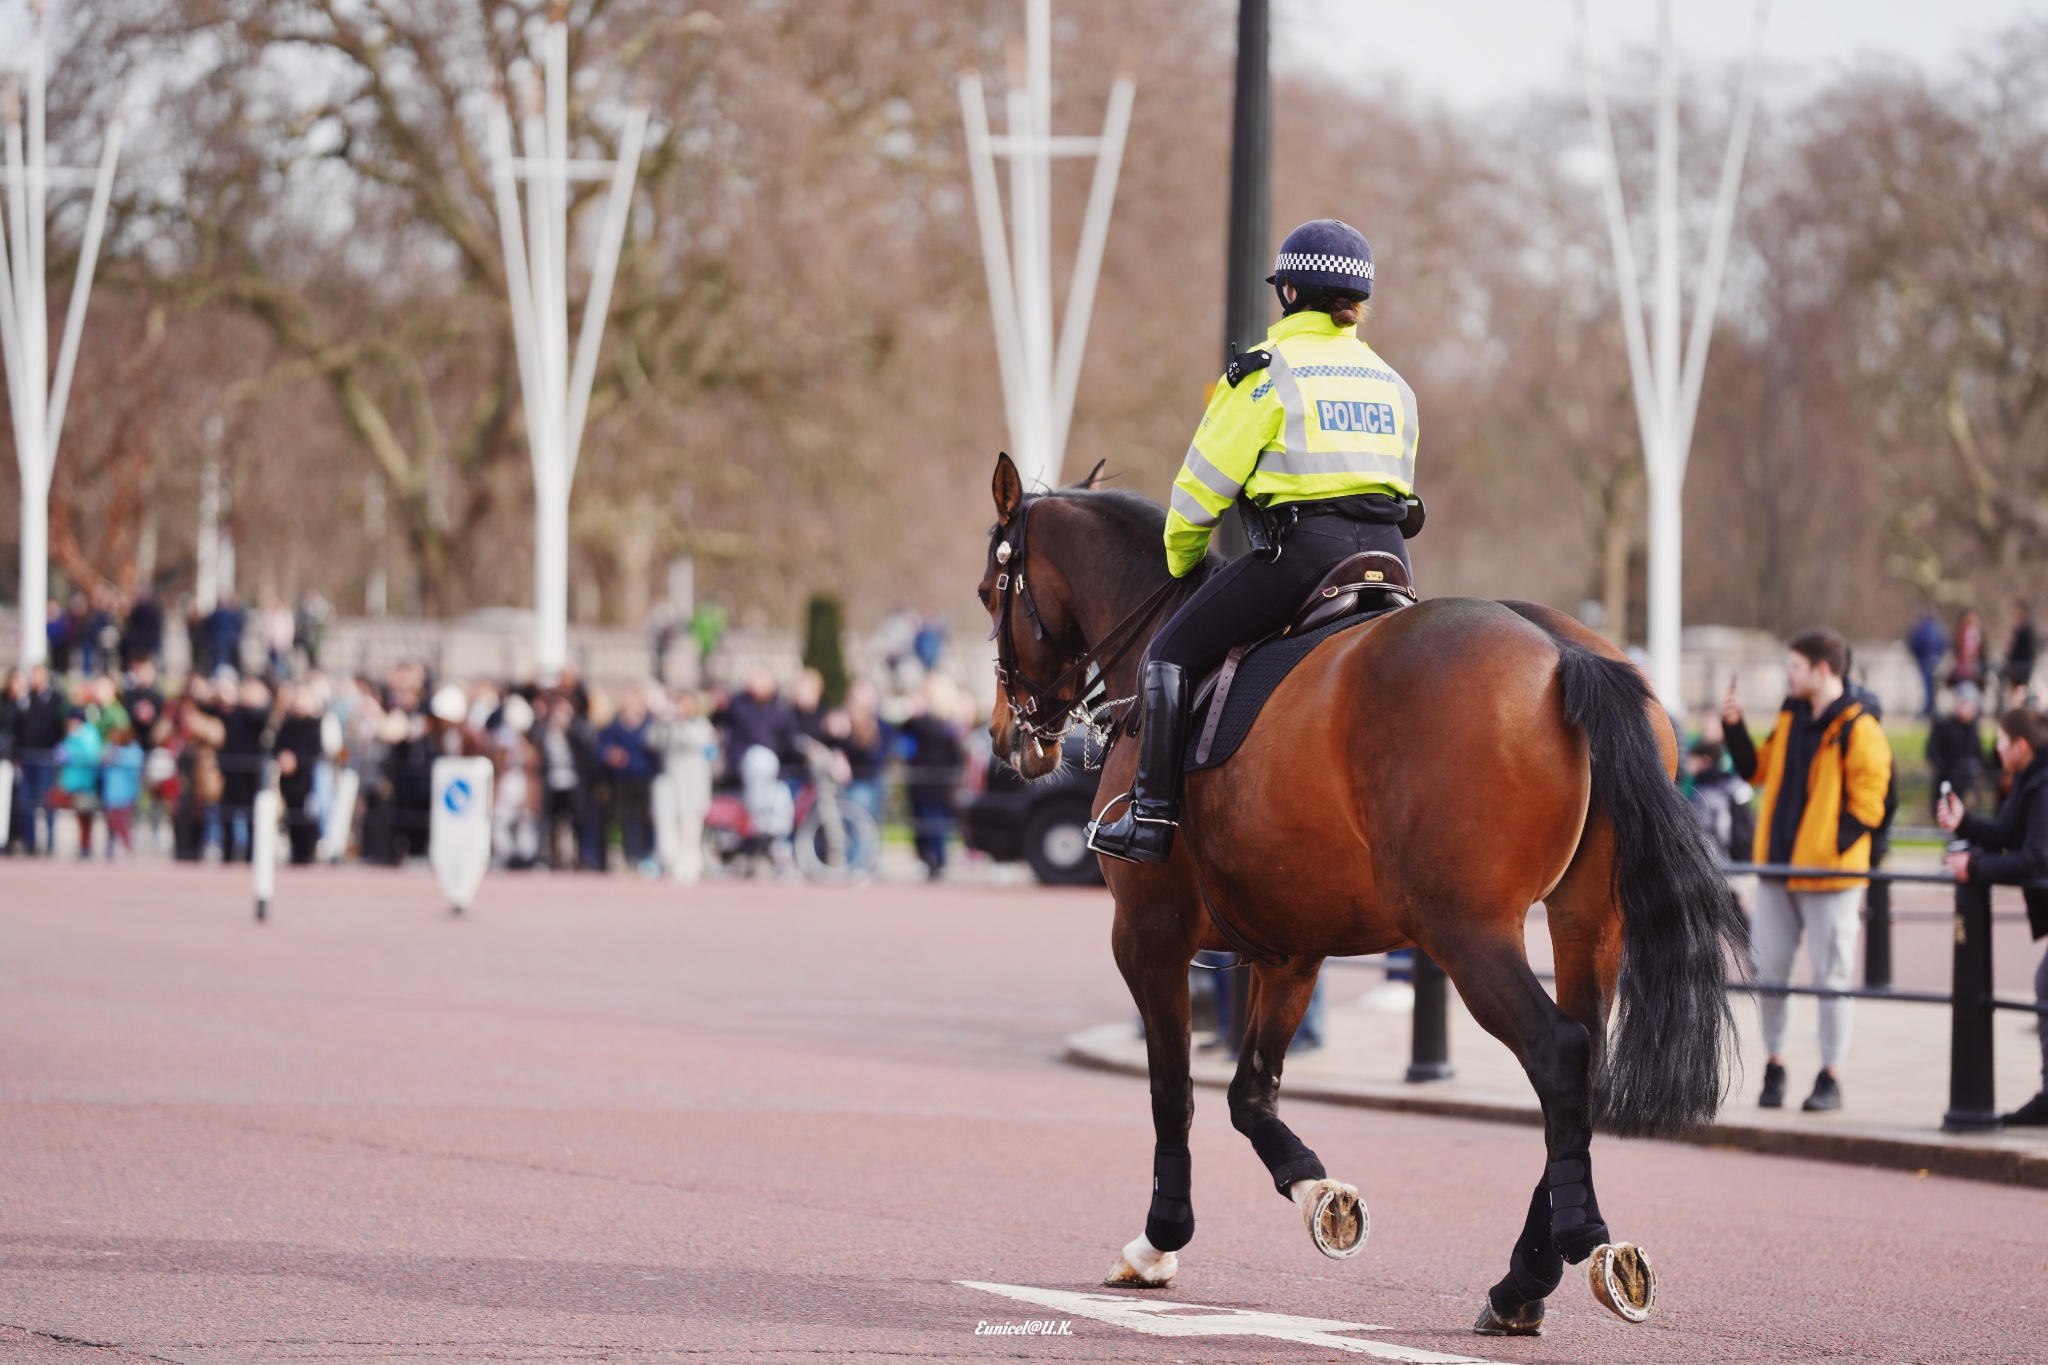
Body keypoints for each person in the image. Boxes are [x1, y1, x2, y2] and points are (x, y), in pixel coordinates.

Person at [1090, 218, 1420, 862]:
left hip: (1302, 558)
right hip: (1391, 561)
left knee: (1168, 652)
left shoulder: (1265, 374)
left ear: (1289, 293)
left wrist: (1182, 562)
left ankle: (1152, 819)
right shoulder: (1393, 384)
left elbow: (1199, 493)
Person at [1723, 628, 1894, 1114]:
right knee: (1770, 971)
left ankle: (1829, 1075)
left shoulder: (1860, 727)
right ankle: (1775, 1066)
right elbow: (1756, 770)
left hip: (1830, 878)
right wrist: (1734, 726)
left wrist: (1832, 848)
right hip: (1777, 871)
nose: (1787, 674)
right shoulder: (1791, 714)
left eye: (1794, 666)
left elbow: (1870, 799)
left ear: (1822, 670)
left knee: (1830, 976)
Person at [1937, 707, 2048, 1126]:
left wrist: (1975, 869)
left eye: (2001, 741)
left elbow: (2036, 858)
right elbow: (2008, 835)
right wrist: (1965, 821)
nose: (1995, 749)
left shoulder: (2042, 783)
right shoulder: (2030, 777)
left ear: (2021, 745)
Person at [597, 685, 659, 870]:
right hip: (622, 778)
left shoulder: (650, 724)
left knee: (645, 817)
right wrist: (610, 754)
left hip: (645, 776)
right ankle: (629, 854)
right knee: (624, 818)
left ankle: (645, 854)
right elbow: (601, 747)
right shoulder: (615, 725)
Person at [13, 663, 66, 854]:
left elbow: (61, 726)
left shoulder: (56, 699)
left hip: (45, 758)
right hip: (27, 757)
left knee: (47, 801)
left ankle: (50, 842)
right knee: (26, 802)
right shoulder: (26, 699)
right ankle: (30, 842)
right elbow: (18, 727)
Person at [1927, 682, 1991, 818]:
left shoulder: (1972, 729)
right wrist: (1947, 770)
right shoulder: (1943, 726)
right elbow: (1932, 752)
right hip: (1946, 782)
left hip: (1966, 784)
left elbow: (1978, 753)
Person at [99, 726, 144, 858]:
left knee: (123, 825)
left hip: (126, 796)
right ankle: (111, 850)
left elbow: (135, 766)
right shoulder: (110, 750)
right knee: (111, 824)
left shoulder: (133, 751)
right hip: (110, 796)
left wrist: (117, 756)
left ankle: (127, 848)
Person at [2003, 603, 2036, 708]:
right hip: (2015, 666)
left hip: (2023, 667)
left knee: (2023, 691)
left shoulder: (2028, 631)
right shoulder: (2016, 631)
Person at [1952, 608, 1985, 690]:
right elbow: (1956, 650)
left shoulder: (1979, 634)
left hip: (1976, 669)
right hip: (1963, 669)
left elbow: (1983, 652)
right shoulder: (1961, 634)